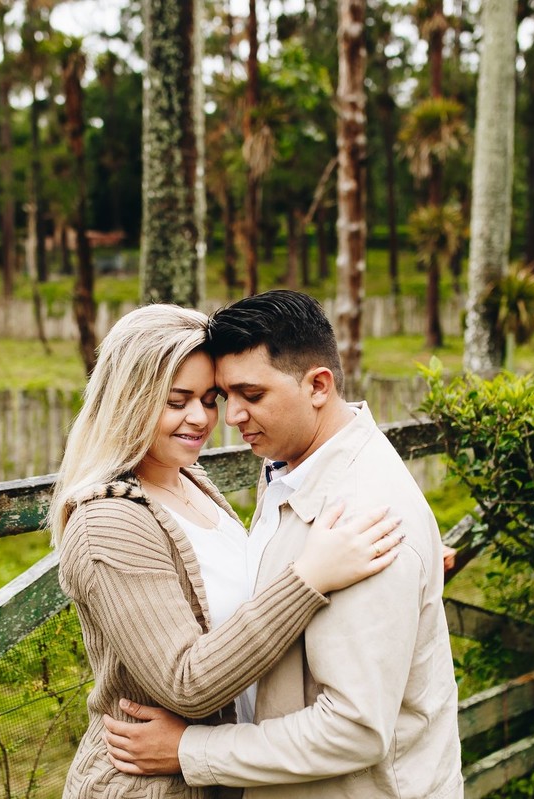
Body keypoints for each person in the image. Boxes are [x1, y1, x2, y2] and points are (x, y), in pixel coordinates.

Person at [102, 291, 463, 798]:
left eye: (252, 395)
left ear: (318, 386)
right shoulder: (290, 469)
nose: (231, 417)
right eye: (226, 397)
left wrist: (191, 750)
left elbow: (354, 730)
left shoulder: (362, 515)